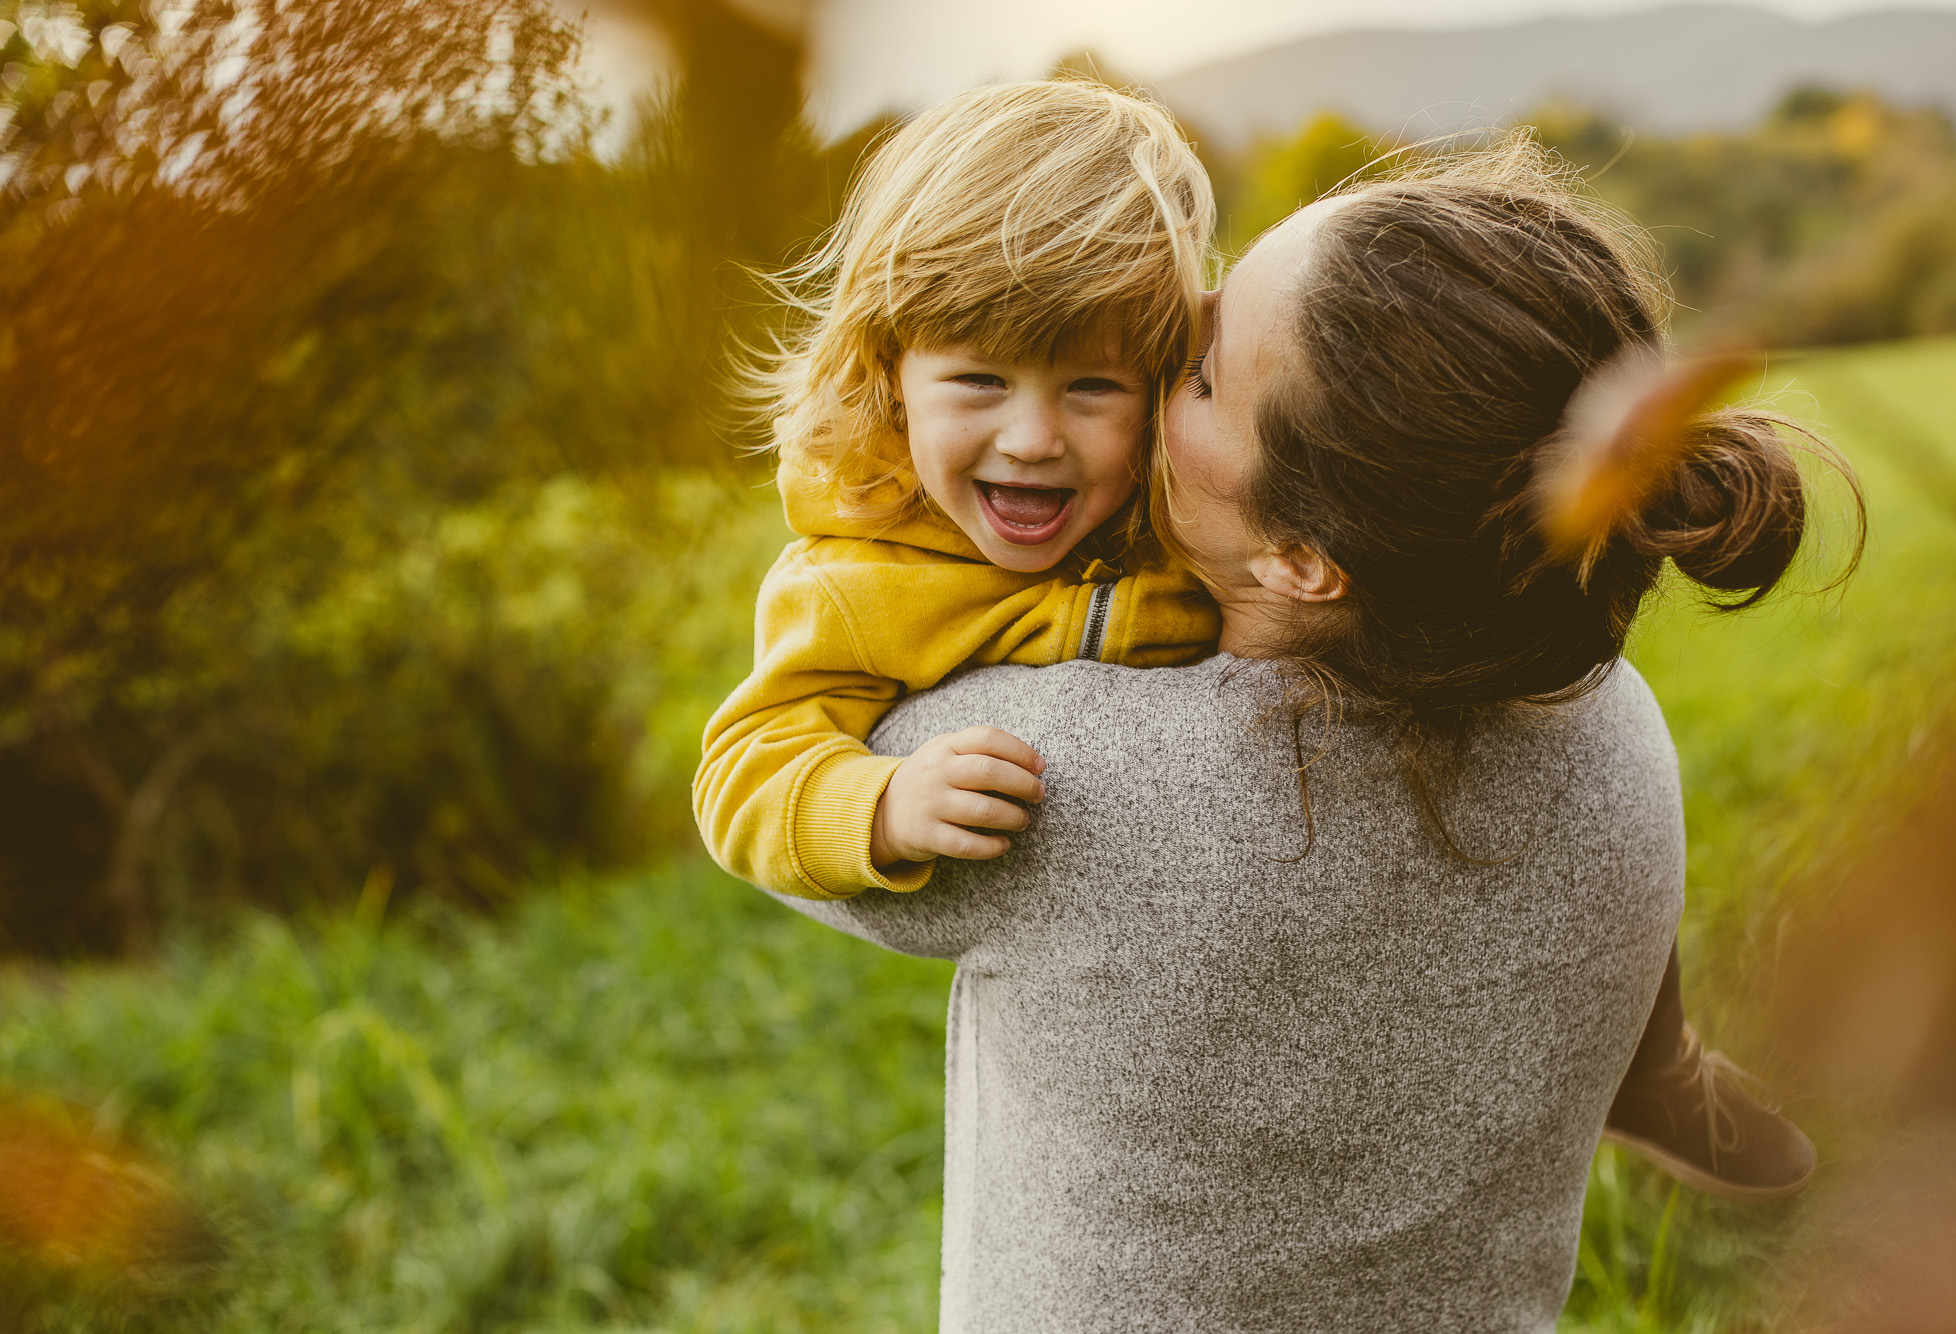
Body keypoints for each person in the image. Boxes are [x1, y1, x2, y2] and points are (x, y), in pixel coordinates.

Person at [759, 136, 1858, 1330]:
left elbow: (800, 797)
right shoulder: (1608, 719)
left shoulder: (1049, 772)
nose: (1154, 358)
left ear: (1296, 555)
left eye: (1191, 372)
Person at [693, 80, 1217, 903]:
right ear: (888, 373)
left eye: (1092, 387)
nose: (1033, 440)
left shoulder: (1190, 508)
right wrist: (882, 806)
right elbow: (741, 773)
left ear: (1159, 387)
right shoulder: (856, 581)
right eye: (979, 380)